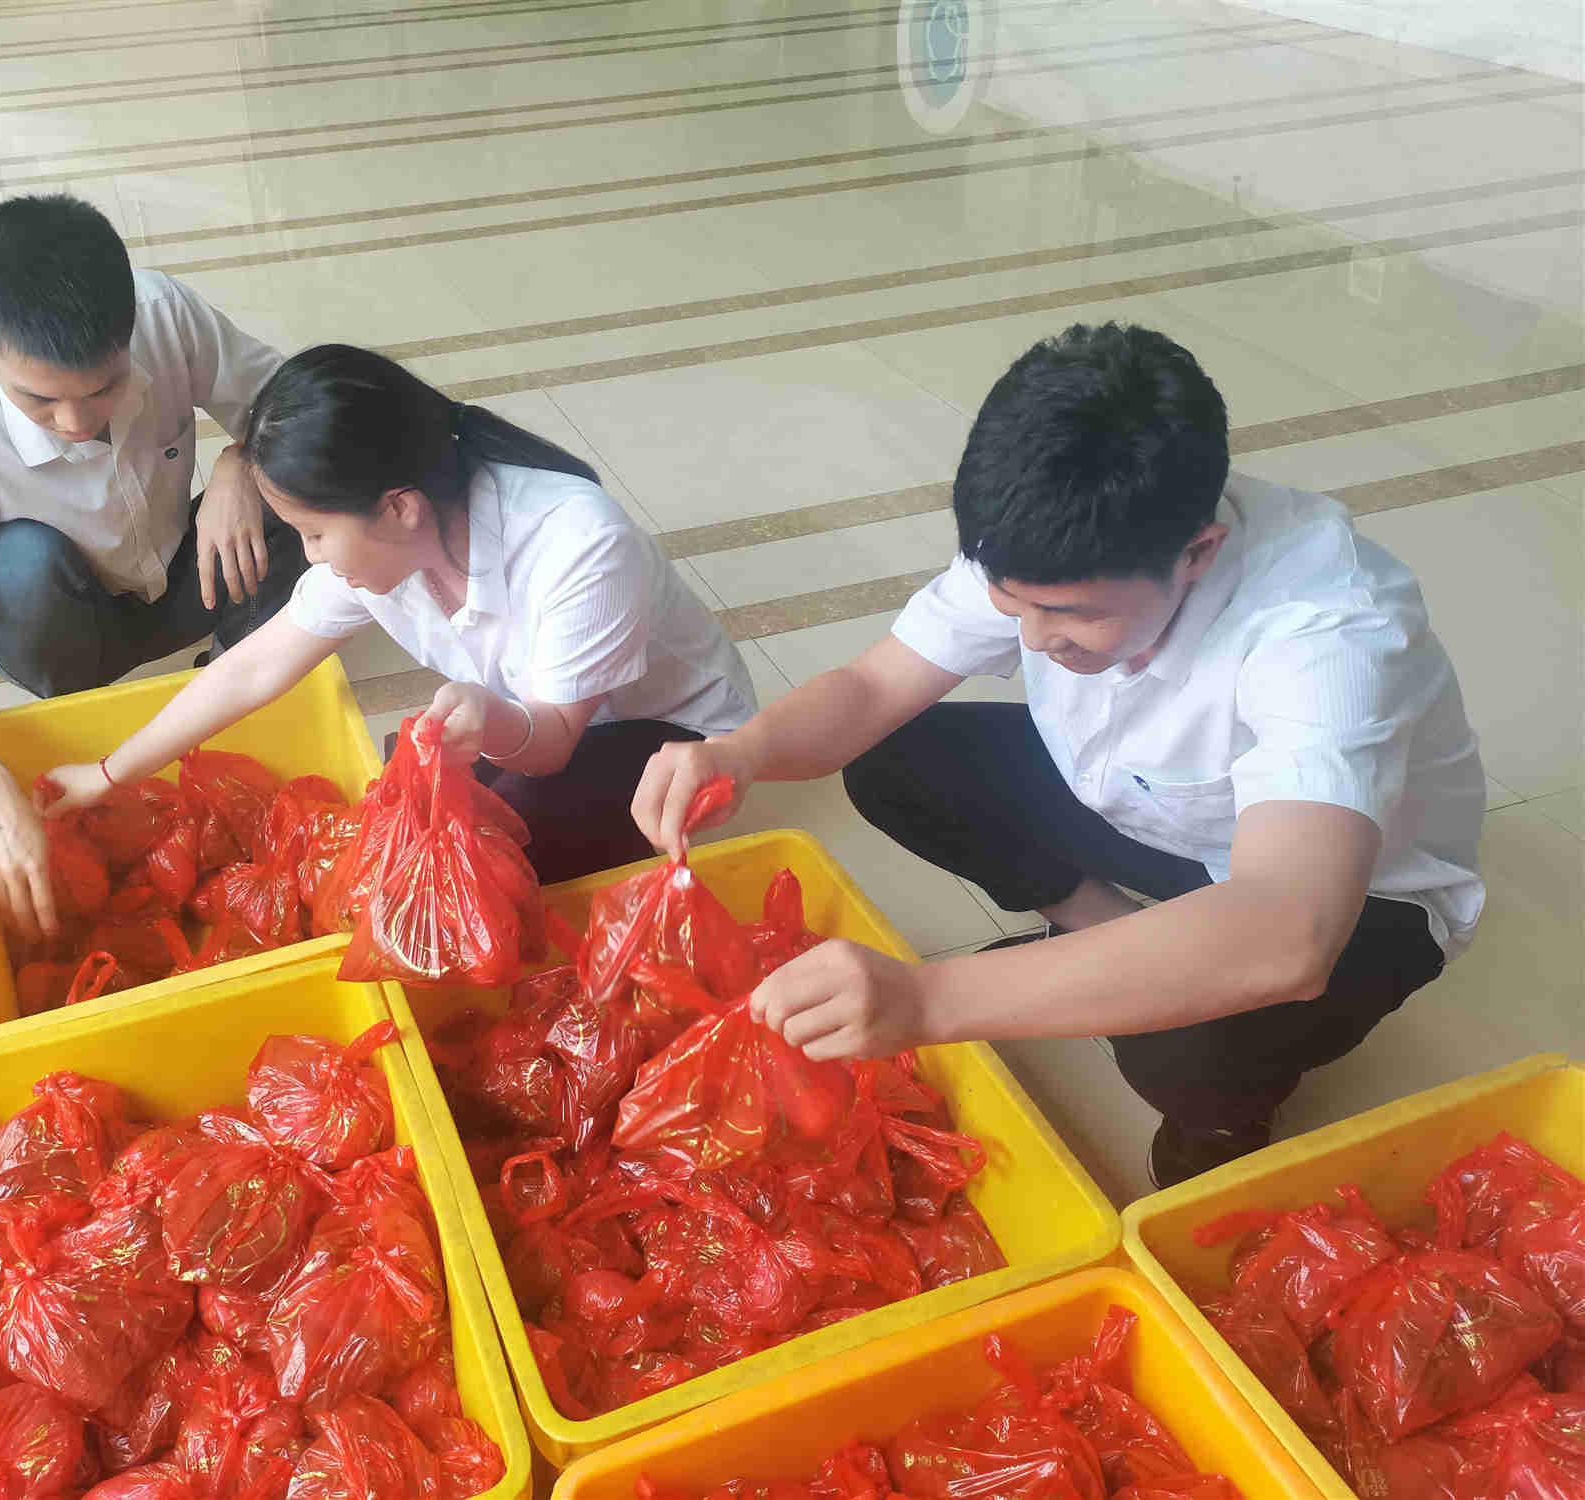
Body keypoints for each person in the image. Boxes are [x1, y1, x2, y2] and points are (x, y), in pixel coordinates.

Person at [632, 322, 1485, 1189]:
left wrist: (926, 1001)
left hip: (1355, 899)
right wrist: (739, 751)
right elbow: (871, 689)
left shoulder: (1330, 634)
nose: (1037, 639)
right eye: (1015, 606)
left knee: (1178, 1051)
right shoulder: (1046, 540)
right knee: (899, 760)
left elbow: (1286, 931)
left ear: (1198, 553)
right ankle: (1095, 924)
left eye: (1074, 615)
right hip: (1156, 808)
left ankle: (1224, 1113)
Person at [39, 343, 756, 886]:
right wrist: (108, 773)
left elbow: (551, 744)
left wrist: (491, 720)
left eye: (315, 534)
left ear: (398, 509)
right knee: (401, 810)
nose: (312, 557)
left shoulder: (579, 545)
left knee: (472, 862)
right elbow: (254, 667)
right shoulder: (390, 544)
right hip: (531, 712)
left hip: (667, 736)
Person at [0, 193, 308, 939]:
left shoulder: (166, 315)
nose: (77, 422)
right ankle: (80, 703)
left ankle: (227, 677)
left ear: (130, 325)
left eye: (104, 387)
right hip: (59, 622)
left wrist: (239, 462)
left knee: (293, 494)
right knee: (18, 563)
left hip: (180, 576)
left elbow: (295, 404)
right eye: (39, 400)